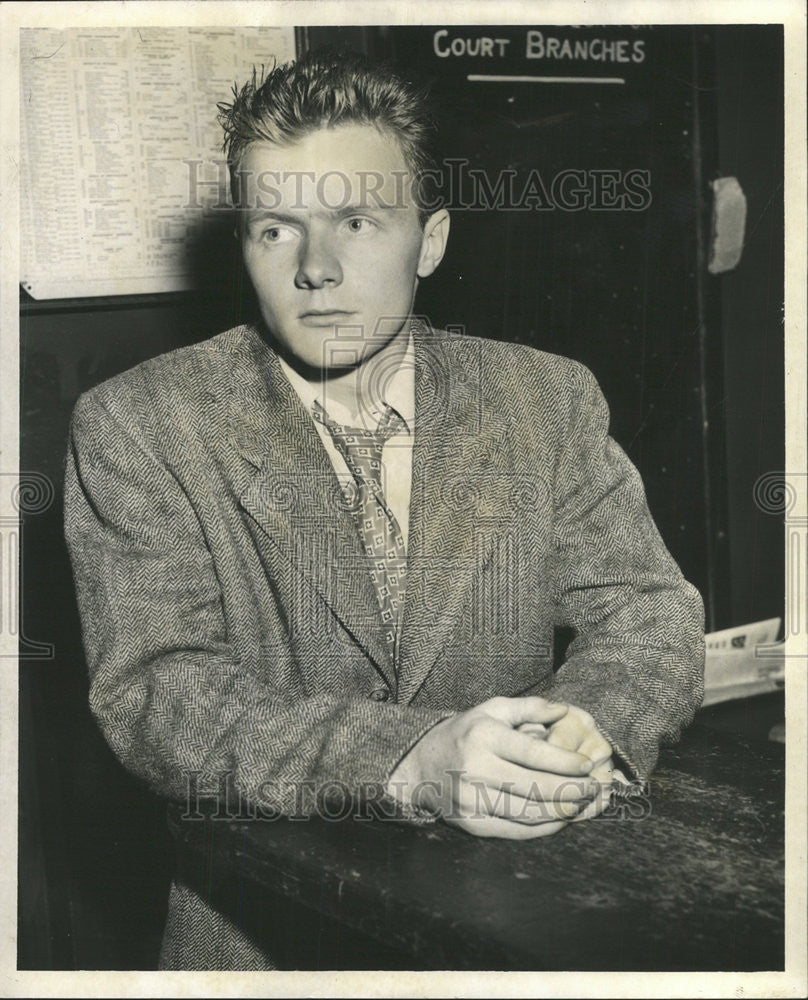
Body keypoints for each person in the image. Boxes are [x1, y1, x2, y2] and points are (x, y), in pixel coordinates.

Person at [64, 47, 705, 970]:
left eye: (357, 221)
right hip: (264, 945)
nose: (317, 269)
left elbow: (647, 609)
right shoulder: (141, 424)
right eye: (276, 230)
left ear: (431, 240)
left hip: (516, 926)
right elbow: (161, 695)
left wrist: (584, 732)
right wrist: (410, 759)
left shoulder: (544, 400)